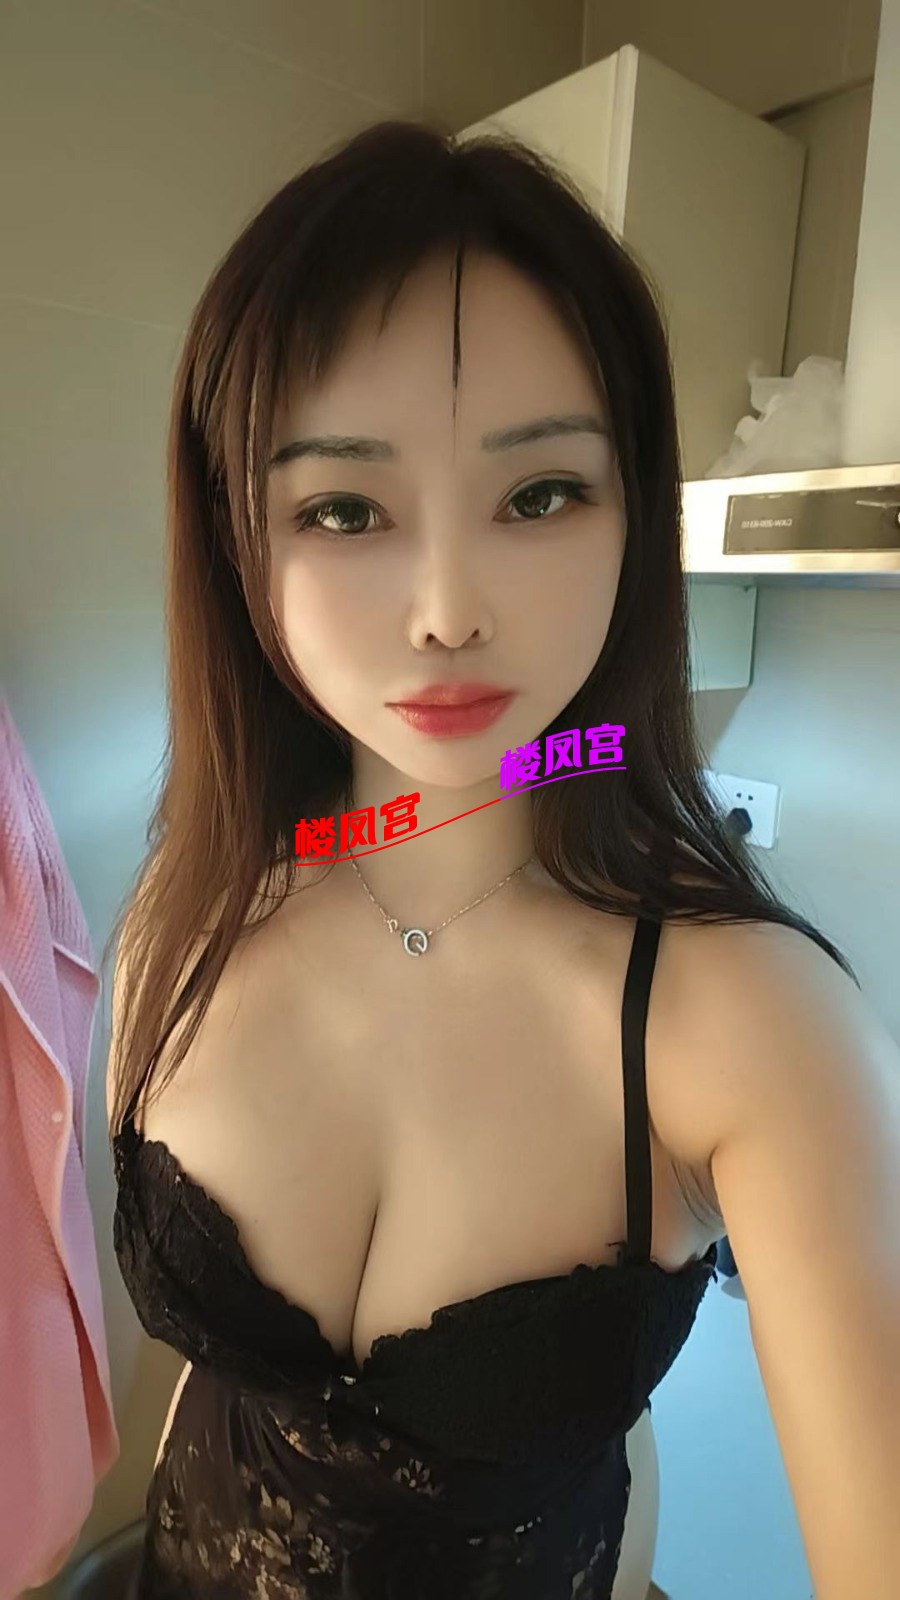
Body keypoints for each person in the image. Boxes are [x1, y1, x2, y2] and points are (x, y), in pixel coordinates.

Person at [103, 118, 875, 1600]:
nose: (448, 610)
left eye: (539, 495)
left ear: (633, 510)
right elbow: (202, 1384)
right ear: (238, 539)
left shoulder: (753, 1019)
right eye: (345, 508)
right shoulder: (186, 915)